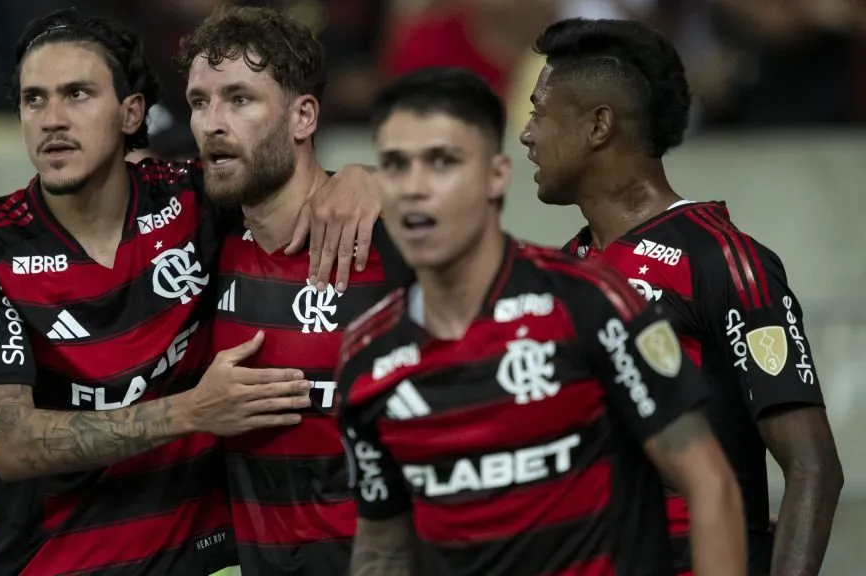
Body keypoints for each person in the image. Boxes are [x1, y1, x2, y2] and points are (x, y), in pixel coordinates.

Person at [0, 8, 384, 575]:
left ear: (131, 112)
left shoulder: (196, 201)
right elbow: (14, 444)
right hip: (48, 563)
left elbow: (281, 172)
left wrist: (366, 178)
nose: (52, 119)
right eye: (33, 99)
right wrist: (194, 411)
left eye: (77, 94)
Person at [336, 66, 747, 576]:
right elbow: (383, 548)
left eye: (442, 162)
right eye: (396, 166)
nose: (416, 188)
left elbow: (712, 484)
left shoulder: (592, 304)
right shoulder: (367, 359)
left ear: (496, 175)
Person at [519, 18, 844, 576]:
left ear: (598, 126)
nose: (525, 133)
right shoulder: (559, 274)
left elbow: (813, 466)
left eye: (538, 112)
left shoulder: (721, 259)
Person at [176, 7, 413, 575]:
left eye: (239, 99)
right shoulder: (204, 243)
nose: (212, 123)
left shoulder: (396, 241)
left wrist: (377, 178)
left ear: (303, 115)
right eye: (199, 102)